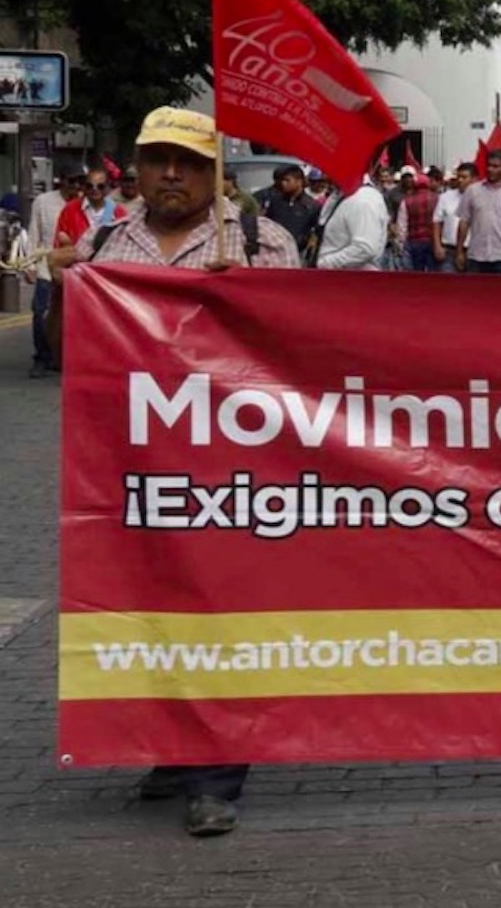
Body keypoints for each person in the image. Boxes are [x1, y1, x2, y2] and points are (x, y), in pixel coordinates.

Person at [45, 107, 302, 837]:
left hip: (228, 468)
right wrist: (67, 284)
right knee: (145, 602)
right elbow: (75, 353)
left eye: (188, 163)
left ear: (214, 173)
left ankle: (217, 772)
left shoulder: (260, 240)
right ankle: (171, 744)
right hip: (128, 464)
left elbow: (297, 353)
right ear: (138, 166)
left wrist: (248, 294)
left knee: (218, 608)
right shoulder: (105, 241)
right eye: (159, 159)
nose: (171, 174)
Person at [23, 175, 81, 377]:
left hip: (76, 269)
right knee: (40, 311)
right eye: (72, 181)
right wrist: (29, 264)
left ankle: (64, 357)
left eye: (79, 182)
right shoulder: (43, 201)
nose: (76, 186)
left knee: (71, 316)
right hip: (46, 266)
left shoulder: (84, 205)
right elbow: (34, 232)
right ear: (62, 182)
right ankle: (41, 357)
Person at [316, 174, 393, 272]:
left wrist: (326, 263)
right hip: (336, 277)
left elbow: (365, 248)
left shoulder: (363, 200)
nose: (324, 176)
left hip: (352, 280)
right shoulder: (341, 194)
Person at [254, 165, 321, 265]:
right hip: (274, 251)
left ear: (299, 181)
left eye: (287, 180)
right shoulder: (275, 201)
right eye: (282, 180)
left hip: (298, 253)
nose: (283, 183)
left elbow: (315, 233)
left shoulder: (312, 206)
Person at [393, 167, 442, 272]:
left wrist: (400, 244)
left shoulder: (406, 201)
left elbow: (402, 226)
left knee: (416, 273)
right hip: (433, 241)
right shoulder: (438, 198)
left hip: (414, 241)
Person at [434, 164, 472, 271]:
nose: (460, 180)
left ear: (474, 179)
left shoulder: (480, 198)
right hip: (449, 250)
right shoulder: (445, 197)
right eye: (459, 177)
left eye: (464, 177)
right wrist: (437, 246)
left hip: (472, 252)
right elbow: (437, 222)